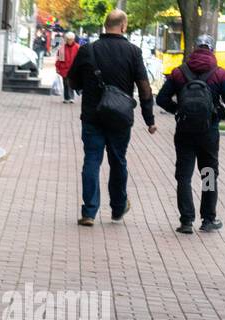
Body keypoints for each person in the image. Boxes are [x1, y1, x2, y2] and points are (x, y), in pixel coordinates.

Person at [66, 9, 157, 226]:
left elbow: (72, 81)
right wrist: (149, 119)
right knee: (118, 161)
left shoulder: (88, 50)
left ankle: (89, 212)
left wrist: (86, 88)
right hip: (120, 118)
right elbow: (144, 88)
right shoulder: (133, 52)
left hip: (92, 116)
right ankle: (117, 208)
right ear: (123, 26)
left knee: (92, 160)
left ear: (106, 25)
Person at [156, 35, 225, 233]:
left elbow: (161, 98)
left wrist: (177, 110)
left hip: (184, 131)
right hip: (209, 131)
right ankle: (208, 218)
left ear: (195, 48)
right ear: (211, 50)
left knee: (184, 175)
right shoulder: (219, 73)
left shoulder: (179, 72)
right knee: (208, 173)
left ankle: (186, 220)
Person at [56, 31, 80, 103]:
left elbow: (80, 58)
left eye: (71, 39)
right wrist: (57, 68)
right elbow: (59, 59)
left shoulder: (77, 47)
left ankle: (71, 97)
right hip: (64, 68)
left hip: (74, 68)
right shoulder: (62, 48)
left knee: (71, 83)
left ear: (73, 39)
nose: (69, 41)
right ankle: (66, 98)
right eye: (68, 39)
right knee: (66, 83)